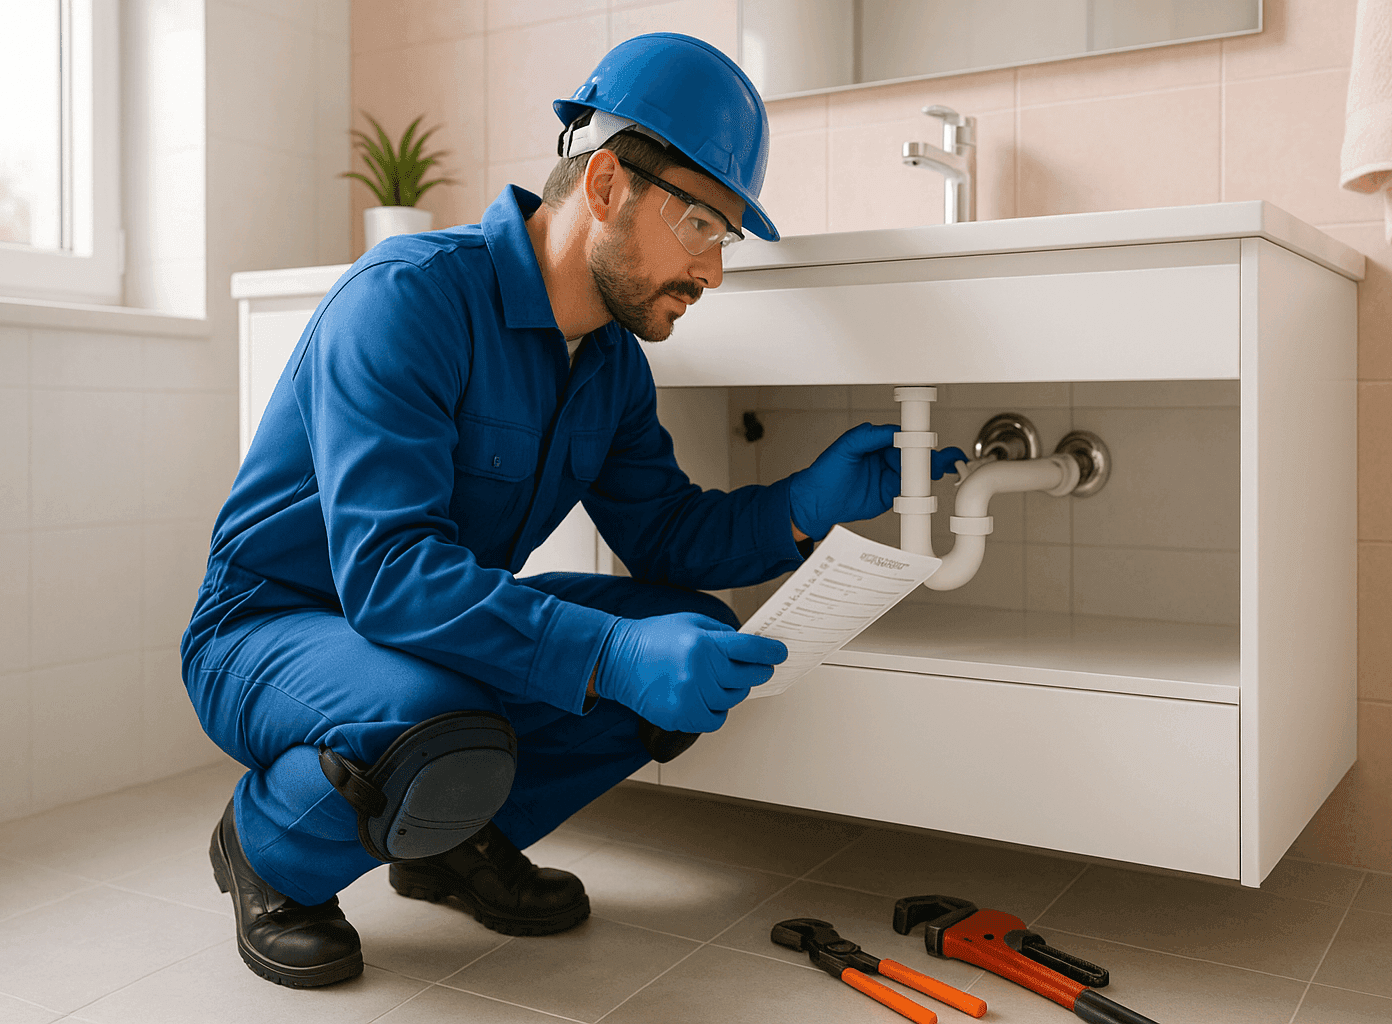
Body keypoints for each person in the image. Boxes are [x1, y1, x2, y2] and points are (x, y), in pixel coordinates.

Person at [181, 32, 965, 989]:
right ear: (605, 188)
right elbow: (387, 573)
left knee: (683, 634)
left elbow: (663, 534)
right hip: (272, 630)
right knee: (447, 716)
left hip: (414, 634)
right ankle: (267, 850)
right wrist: (607, 656)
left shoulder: (611, 369)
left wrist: (803, 503)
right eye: (703, 227)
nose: (713, 273)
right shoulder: (408, 301)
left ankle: (450, 842)